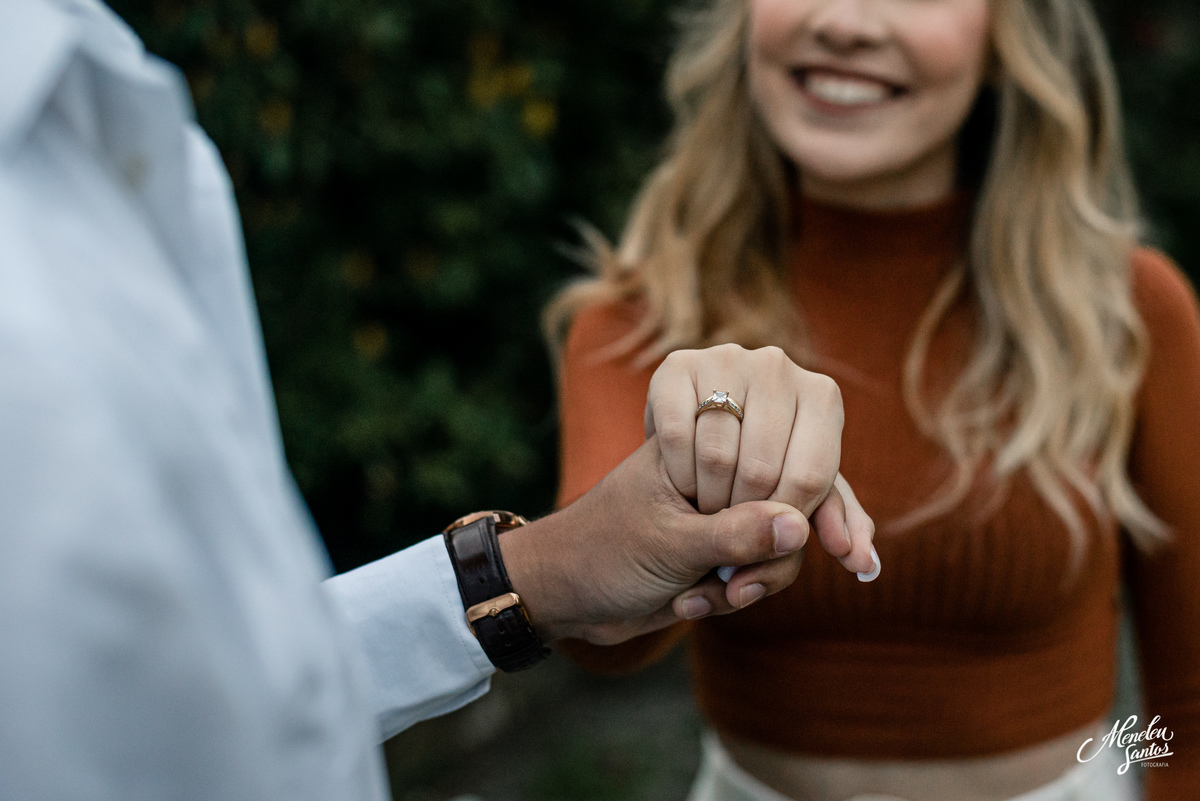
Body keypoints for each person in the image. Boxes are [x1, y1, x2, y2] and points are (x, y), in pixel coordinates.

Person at [0, 1, 880, 799]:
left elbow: (230, 683)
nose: (849, 19)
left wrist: (529, 575)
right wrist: (706, 445)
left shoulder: (107, 104)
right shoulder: (638, 313)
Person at [549, 0, 1200, 799]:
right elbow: (598, 630)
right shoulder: (642, 320)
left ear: (1008, 38)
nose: (848, 20)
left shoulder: (1128, 313)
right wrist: (688, 461)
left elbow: (1188, 713)